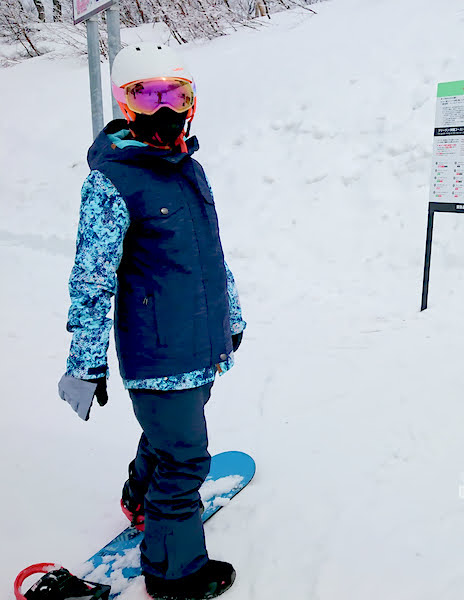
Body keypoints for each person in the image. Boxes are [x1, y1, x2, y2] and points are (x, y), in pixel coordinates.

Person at [57, 43, 245, 600]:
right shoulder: (112, 181)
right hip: (158, 350)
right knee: (186, 460)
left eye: (175, 94)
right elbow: (91, 277)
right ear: (126, 102)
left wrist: (230, 316)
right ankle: (174, 573)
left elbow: (212, 254)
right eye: (147, 94)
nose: (163, 107)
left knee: (169, 437)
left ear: (190, 102)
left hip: (202, 343)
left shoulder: (190, 169)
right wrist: (86, 362)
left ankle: (140, 500)